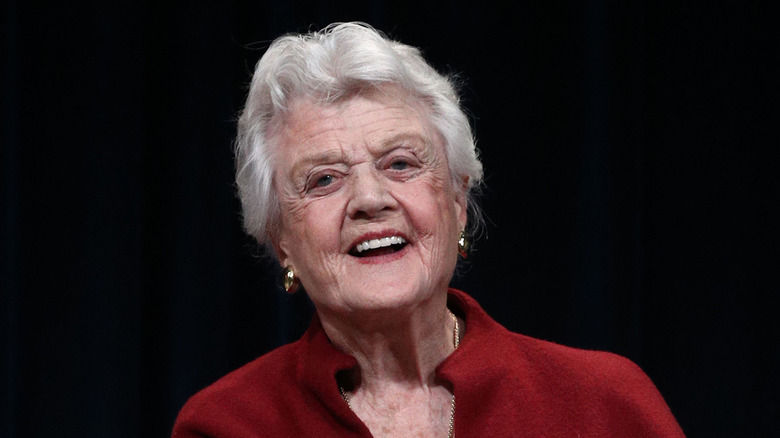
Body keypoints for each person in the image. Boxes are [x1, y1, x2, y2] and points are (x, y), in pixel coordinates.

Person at [172, 22, 684, 437]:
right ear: (280, 239)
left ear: (458, 201)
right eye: (324, 179)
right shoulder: (227, 425)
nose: (370, 200)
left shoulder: (605, 405)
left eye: (400, 164)